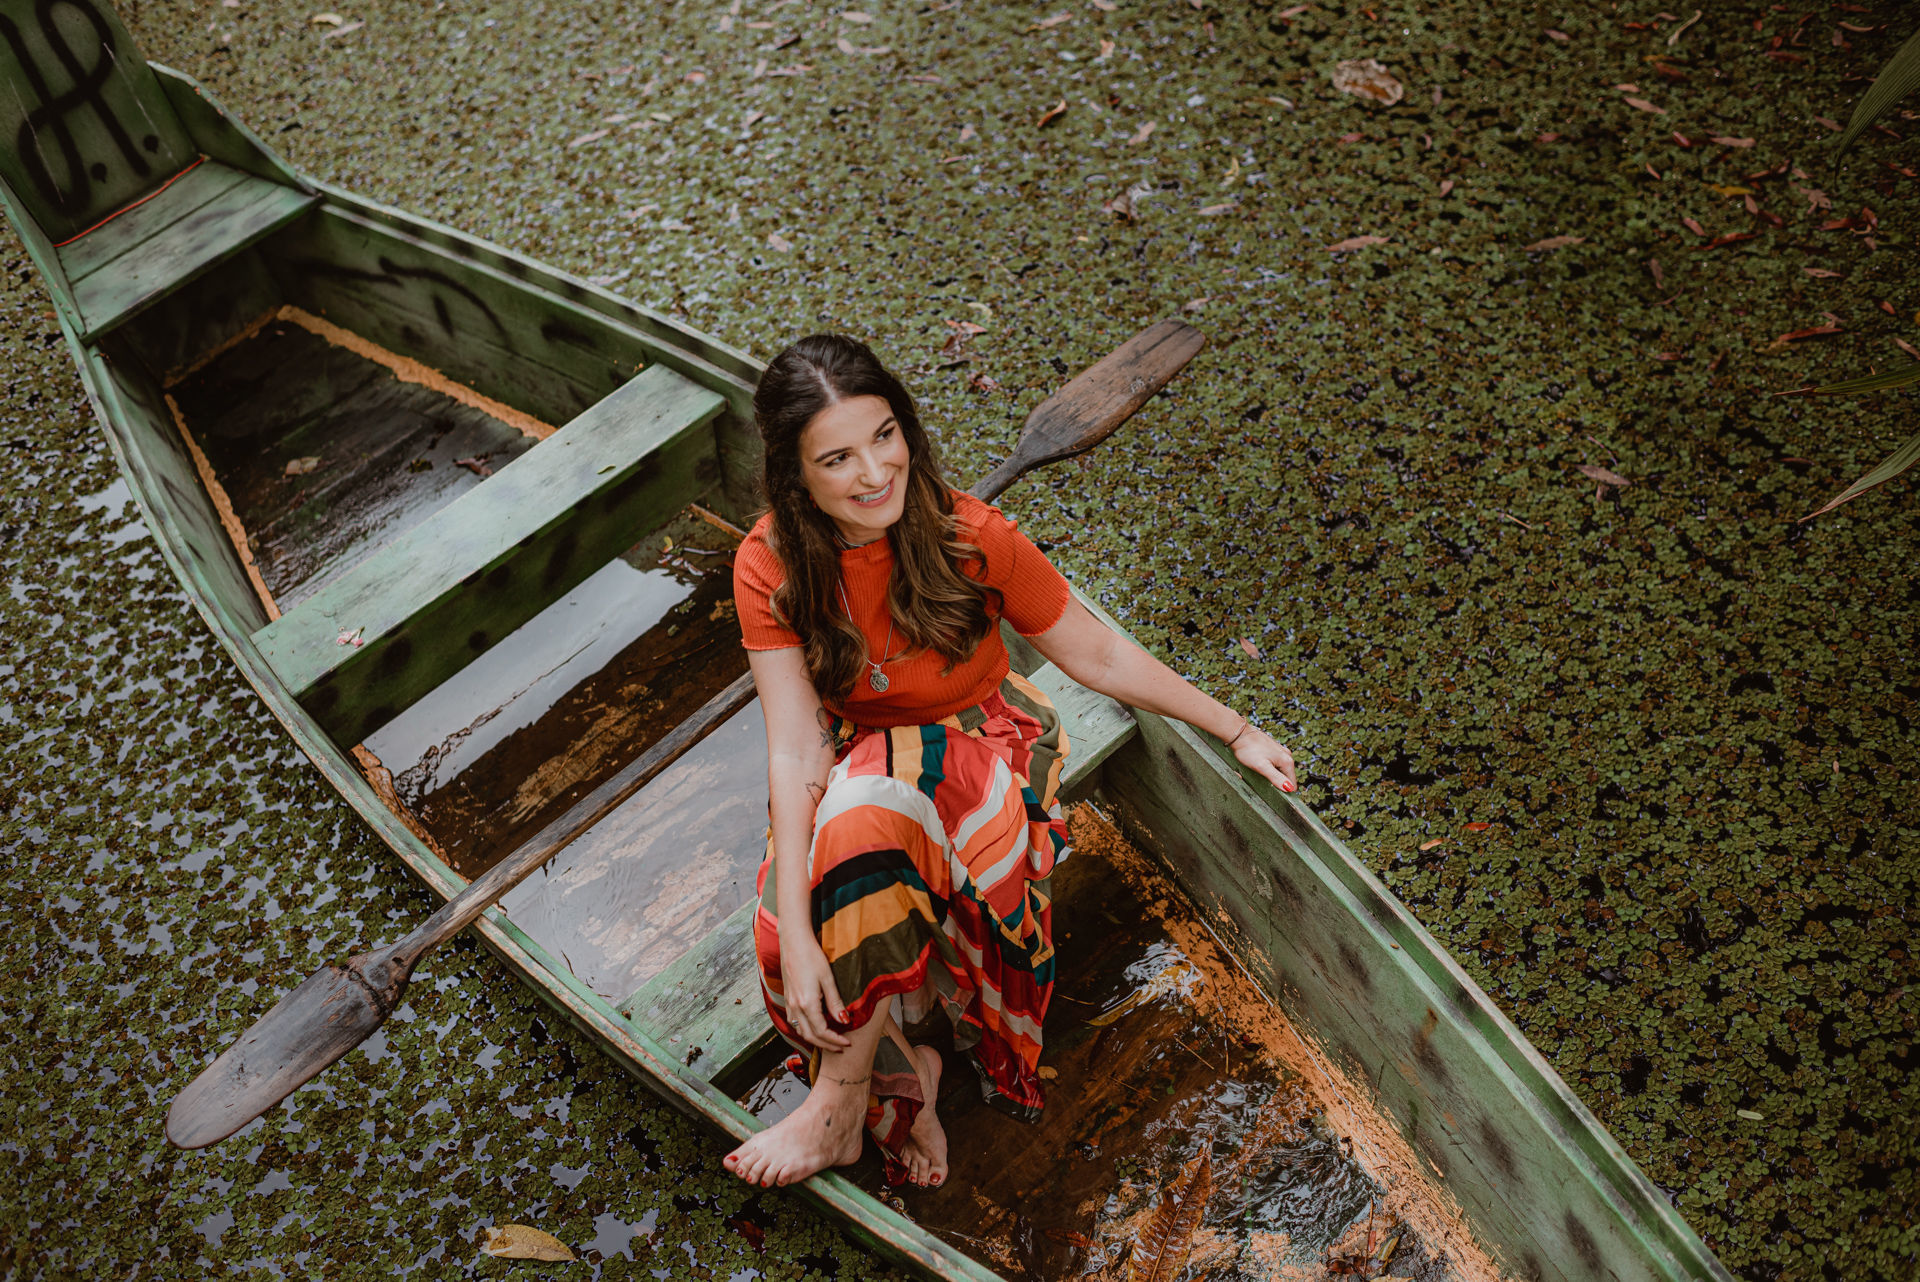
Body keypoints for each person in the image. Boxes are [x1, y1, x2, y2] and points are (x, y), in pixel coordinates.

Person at [721, 334, 1297, 1191]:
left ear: (905, 427)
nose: (876, 472)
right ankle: (906, 1079)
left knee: (866, 827)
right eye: (837, 458)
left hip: (981, 747)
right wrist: (800, 937)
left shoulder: (973, 535)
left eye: (885, 436)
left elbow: (1097, 657)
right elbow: (797, 745)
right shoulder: (770, 564)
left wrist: (1236, 727)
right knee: (793, 916)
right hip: (856, 762)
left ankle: (840, 1109)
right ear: (794, 474)